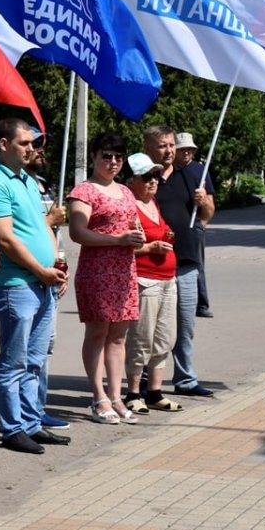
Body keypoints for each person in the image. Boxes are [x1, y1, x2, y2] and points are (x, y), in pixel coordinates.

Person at [0, 118, 70, 455]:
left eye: (32, 143)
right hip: (18, 285)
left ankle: (31, 422)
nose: (32, 148)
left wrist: (57, 264)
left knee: (35, 360)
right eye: (25, 143)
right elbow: (4, 238)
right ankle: (12, 428)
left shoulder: (28, 181)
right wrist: (40, 271)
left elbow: (42, 227)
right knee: (14, 361)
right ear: (4, 145)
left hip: (42, 282)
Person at [66, 133, 145, 425]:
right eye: (106, 156)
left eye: (118, 157)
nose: (112, 162)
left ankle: (116, 396)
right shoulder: (84, 191)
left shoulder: (125, 191)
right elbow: (78, 232)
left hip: (124, 272)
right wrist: (118, 239)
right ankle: (98, 396)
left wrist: (136, 238)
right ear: (95, 157)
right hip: (97, 272)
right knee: (98, 334)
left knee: (119, 336)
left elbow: (132, 226)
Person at [144, 125, 216, 398]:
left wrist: (204, 201)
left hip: (186, 262)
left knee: (184, 327)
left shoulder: (193, 174)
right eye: (163, 145)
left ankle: (185, 379)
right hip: (152, 263)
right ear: (149, 147)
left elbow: (209, 211)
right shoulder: (144, 177)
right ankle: (143, 381)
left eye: (171, 145)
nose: (169, 150)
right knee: (149, 328)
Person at [122, 153, 183, 415]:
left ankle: (155, 392)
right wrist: (151, 246)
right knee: (141, 339)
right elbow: (122, 248)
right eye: (147, 177)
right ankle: (134, 393)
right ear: (131, 181)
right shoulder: (129, 206)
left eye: (155, 176)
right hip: (144, 281)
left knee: (165, 338)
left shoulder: (152, 203)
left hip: (168, 280)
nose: (153, 181)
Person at [24, 133, 70, 432]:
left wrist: (61, 266)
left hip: (51, 276)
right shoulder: (13, 186)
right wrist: (50, 221)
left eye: (41, 145)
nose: (38, 150)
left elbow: (53, 237)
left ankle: (37, 408)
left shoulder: (41, 185)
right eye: (31, 144)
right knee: (24, 352)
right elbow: (16, 231)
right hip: (26, 278)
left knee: (45, 348)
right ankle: (24, 415)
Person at [175, 133, 214, 318]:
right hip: (171, 226)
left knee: (197, 265)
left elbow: (211, 206)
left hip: (194, 223)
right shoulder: (166, 171)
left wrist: (204, 206)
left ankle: (201, 305)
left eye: (189, 149)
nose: (186, 153)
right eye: (182, 149)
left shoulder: (200, 171)